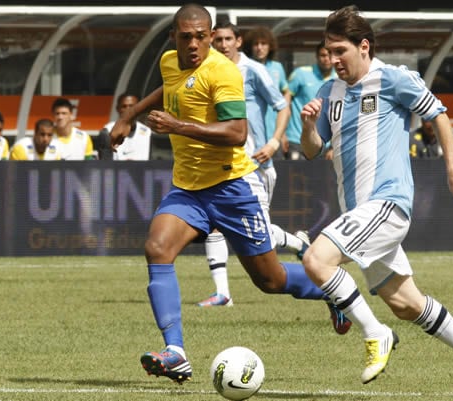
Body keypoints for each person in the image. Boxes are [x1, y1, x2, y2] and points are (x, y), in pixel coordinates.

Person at [108, 4, 350, 385]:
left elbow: (236, 133)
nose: (193, 44)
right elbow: (167, 89)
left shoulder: (222, 72)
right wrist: (129, 116)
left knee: (268, 280)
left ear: (210, 37)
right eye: (185, 36)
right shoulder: (170, 62)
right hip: (188, 188)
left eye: (200, 37)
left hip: (231, 188)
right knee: (157, 248)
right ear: (173, 37)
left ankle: (333, 291)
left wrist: (177, 126)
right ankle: (176, 352)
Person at [299, 5, 453, 398]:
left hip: (387, 204)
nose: (333, 59)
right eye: (328, 50)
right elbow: (311, 151)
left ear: (364, 46)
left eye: (340, 50)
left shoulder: (393, 79)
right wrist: (309, 127)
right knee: (405, 302)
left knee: (315, 259)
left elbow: (438, 115)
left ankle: (376, 334)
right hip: (359, 212)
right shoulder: (329, 91)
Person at [197, 21, 309, 307]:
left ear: (238, 41)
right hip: (220, 162)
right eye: (217, 39)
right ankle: (222, 293)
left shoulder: (254, 70)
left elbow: (282, 106)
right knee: (216, 225)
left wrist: (273, 142)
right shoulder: (207, 68)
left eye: (227, 39)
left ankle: (300, 246)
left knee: (254, 231)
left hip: (254, 165)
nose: (222, 45)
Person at [243, 25, 290, 160]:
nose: (259, 48)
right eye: (256, 44)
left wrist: (282, 133)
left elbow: (286, 92)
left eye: (263, 44)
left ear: (270, 46)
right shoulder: (246, 67)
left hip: (273, 135)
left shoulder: (277, 67)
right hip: (251, 135)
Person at [285, 40, 336, 160]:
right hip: (296, 140)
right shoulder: (300, 74)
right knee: (294, 178)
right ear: (317, 56)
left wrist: (333, 146)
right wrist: (282, 134)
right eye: (323, 55)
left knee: (322, 179)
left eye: (330, 55)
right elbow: (285, 103)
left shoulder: (340, 80)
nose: (326, 59)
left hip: (325, 144)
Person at [97, 93, 153, 160]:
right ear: (117, 109)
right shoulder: (107, 131)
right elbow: (105, 165)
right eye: (124, 106)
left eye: (132, 106)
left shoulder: (147, 132)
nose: (128, 110)